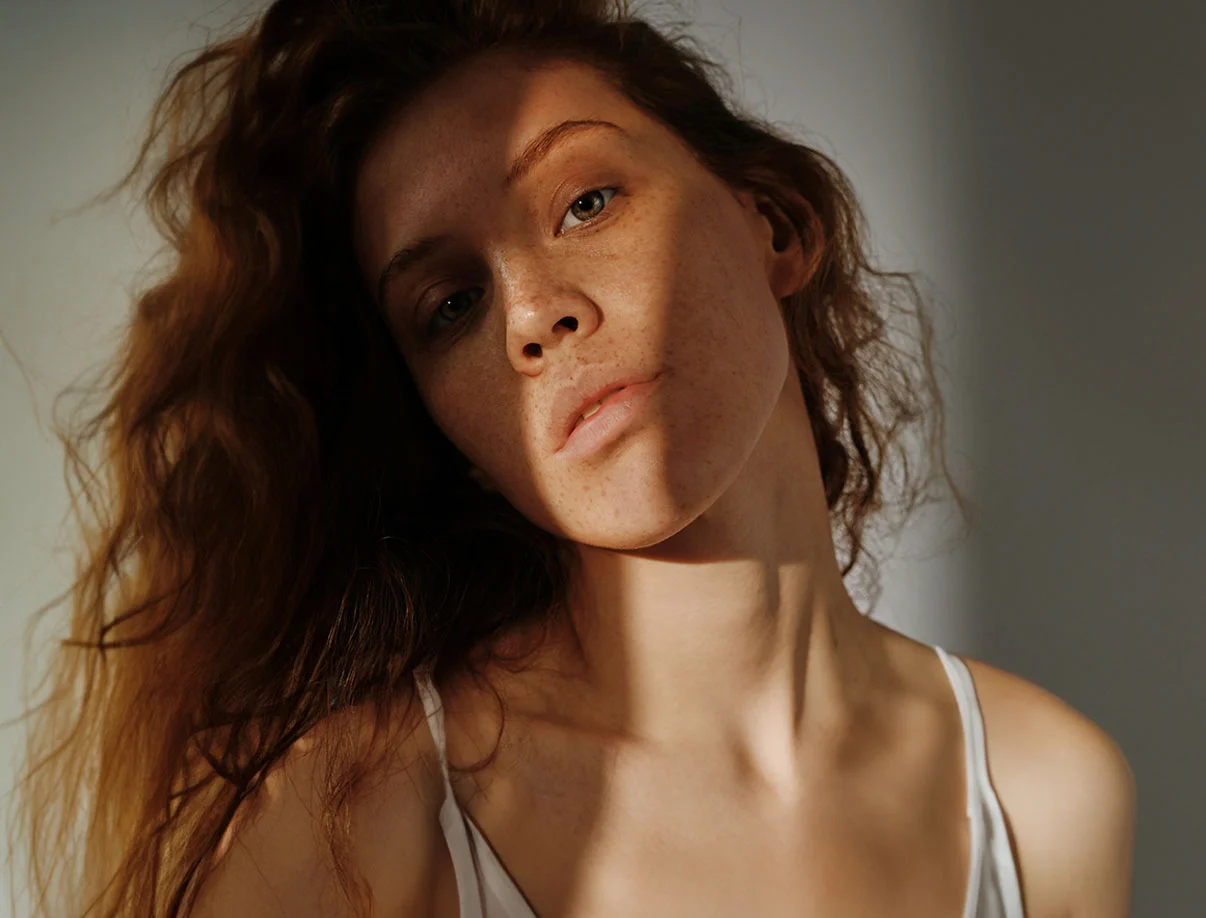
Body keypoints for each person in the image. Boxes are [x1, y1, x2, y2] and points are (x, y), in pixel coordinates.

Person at [7, 1, 1136, 916]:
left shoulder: (1044, 795)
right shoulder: (362, 816)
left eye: (586, 201)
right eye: (451, 306)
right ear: (456, 439)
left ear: (775, 224)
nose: (533, 317)